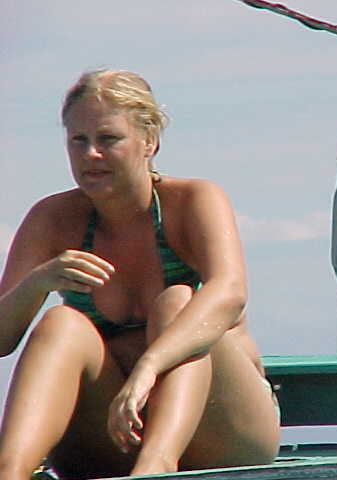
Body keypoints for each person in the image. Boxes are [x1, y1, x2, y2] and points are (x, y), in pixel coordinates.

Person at [0, 70, 280, 479]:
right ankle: (10, 471)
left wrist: (149, 367)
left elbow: (230, 293)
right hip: (111, 436)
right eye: (78, 141)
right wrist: (40, 281)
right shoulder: (52, 219)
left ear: (149, 141)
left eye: (108, 139)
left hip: (223, 430)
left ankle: (156, 465)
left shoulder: (194, 200)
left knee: (177, 300)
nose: (90, 154)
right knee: (60, 321)